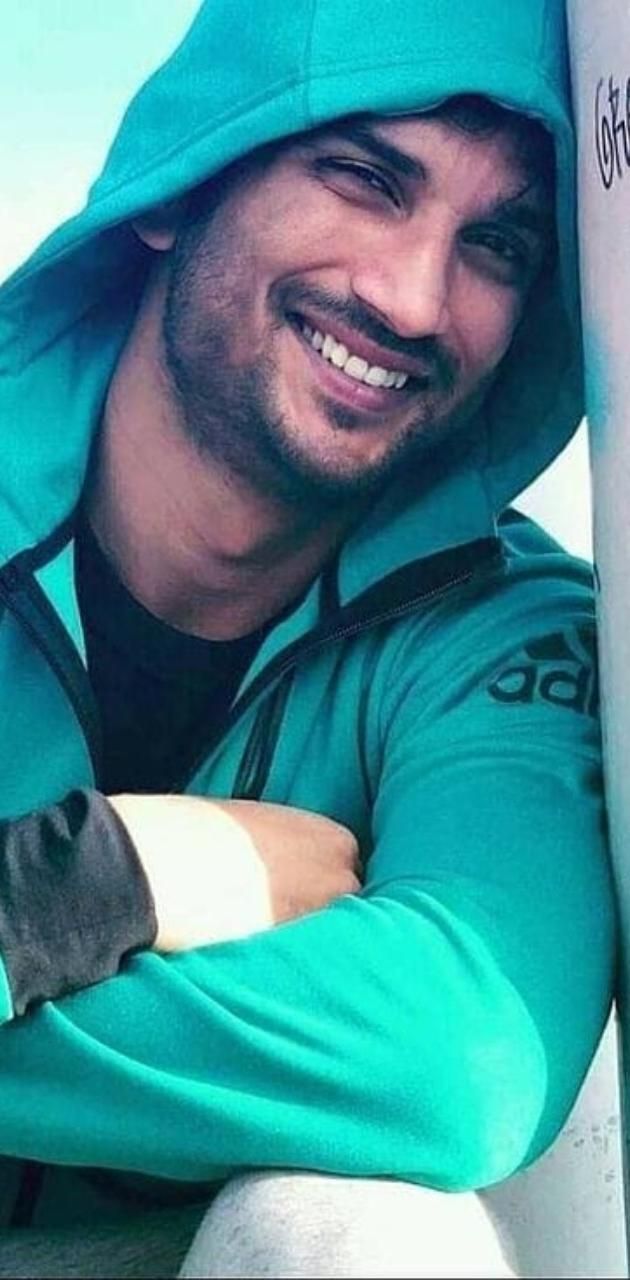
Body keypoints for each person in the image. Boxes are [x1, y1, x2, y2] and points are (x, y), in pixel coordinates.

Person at [0, 0, 616, 1275]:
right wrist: (91, 882)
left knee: (363, 1233)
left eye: (496, 245)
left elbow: (468, 1059)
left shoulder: (499, 628)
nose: (414, 298)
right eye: (365, 178)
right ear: (185, 182)